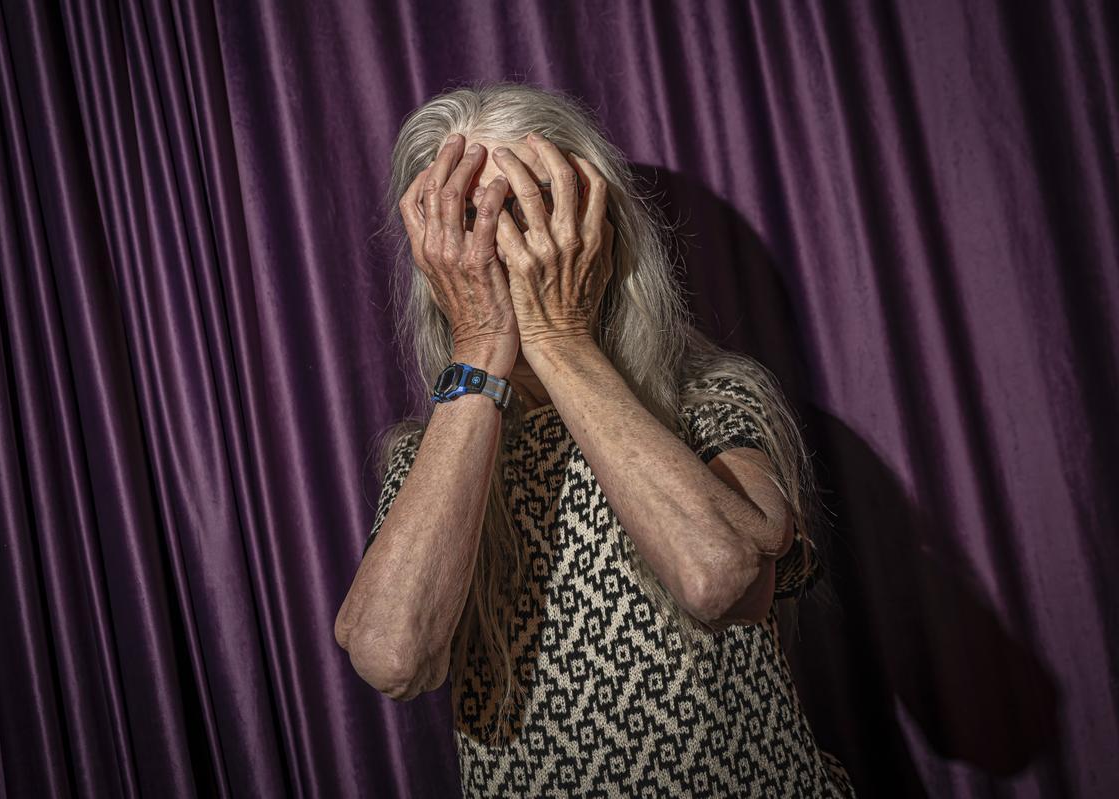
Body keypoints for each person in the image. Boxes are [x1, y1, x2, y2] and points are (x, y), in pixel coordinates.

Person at [335, 80, 855, 798]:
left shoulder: (708, 399)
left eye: (525, 211)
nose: (497, 248)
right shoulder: (434, 453)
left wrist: (558, 338)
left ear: (594, 226)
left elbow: (721, 577)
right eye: (465, 222)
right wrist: (483, 346)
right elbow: (393, 654)